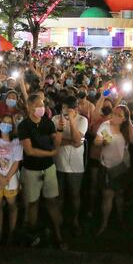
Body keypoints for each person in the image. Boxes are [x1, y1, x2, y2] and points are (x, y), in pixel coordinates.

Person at [18, 93, 67, 249]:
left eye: (43, 105)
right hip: (31, 169)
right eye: (39, 105)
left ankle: (58, 234)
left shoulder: (47, 122)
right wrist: (50, 154)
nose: (42, 108)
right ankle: (33, 234)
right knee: (33, 203)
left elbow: (56, 142)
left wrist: (59, 130)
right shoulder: (24, 126)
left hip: (48, 168)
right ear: (30, 107)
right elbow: (30, 150)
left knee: (52, 200)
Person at [94, 104, 133, 236]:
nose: (115, 116)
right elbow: (97, 141)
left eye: (119, 115)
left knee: (120, 194)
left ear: (124, 119)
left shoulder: (126, 129)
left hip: (121, 167)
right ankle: (104, 223)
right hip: (106, 165)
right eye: (114, 113)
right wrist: (101, 141)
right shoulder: (105, 126)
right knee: (107, 196)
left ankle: (120, 219)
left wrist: (129, 121)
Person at [52, 96, 88, 234]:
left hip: (76, 166)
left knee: (75, 194)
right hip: (58, 163)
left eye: (69, 109)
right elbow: (55, 141)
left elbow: (78, 139)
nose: (66, 112)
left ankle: (75, 220)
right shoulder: (56, 120)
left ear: (76, 109)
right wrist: (72, 141)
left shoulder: (82, 120)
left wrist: (72, 121)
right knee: (59, 195)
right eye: (64, 108)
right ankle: (58, 220)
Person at [0, 115, 23, 244]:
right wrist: (0, 178)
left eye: (9, 123)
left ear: (12, 126)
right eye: (4, 122)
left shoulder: (17, 142)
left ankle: (12, 233)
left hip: (11, 180)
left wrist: (6, 178)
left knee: (12, 205)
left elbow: (16, 163)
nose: (6, 125)